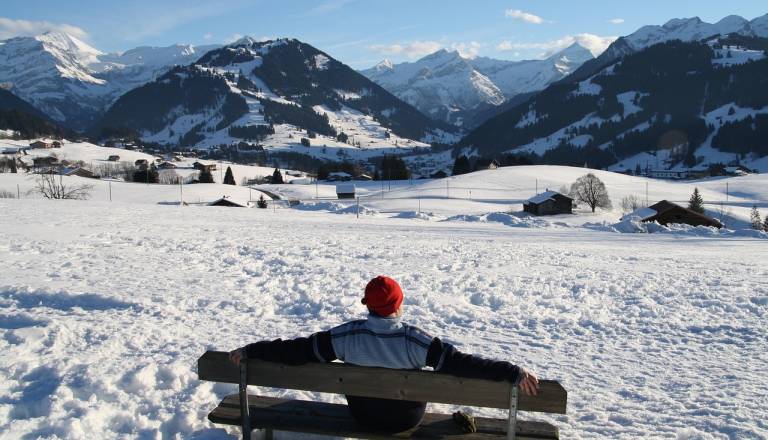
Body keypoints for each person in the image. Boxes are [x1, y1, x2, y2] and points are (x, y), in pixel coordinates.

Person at [229, 275, 539, 432]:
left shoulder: (345, 336)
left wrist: (251, 350)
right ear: (398, 305)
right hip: (406, 420)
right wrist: (513, 371)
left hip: (363, 417)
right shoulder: (416, 341)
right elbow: (462, 365)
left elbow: (295, 351)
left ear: (368, 305)